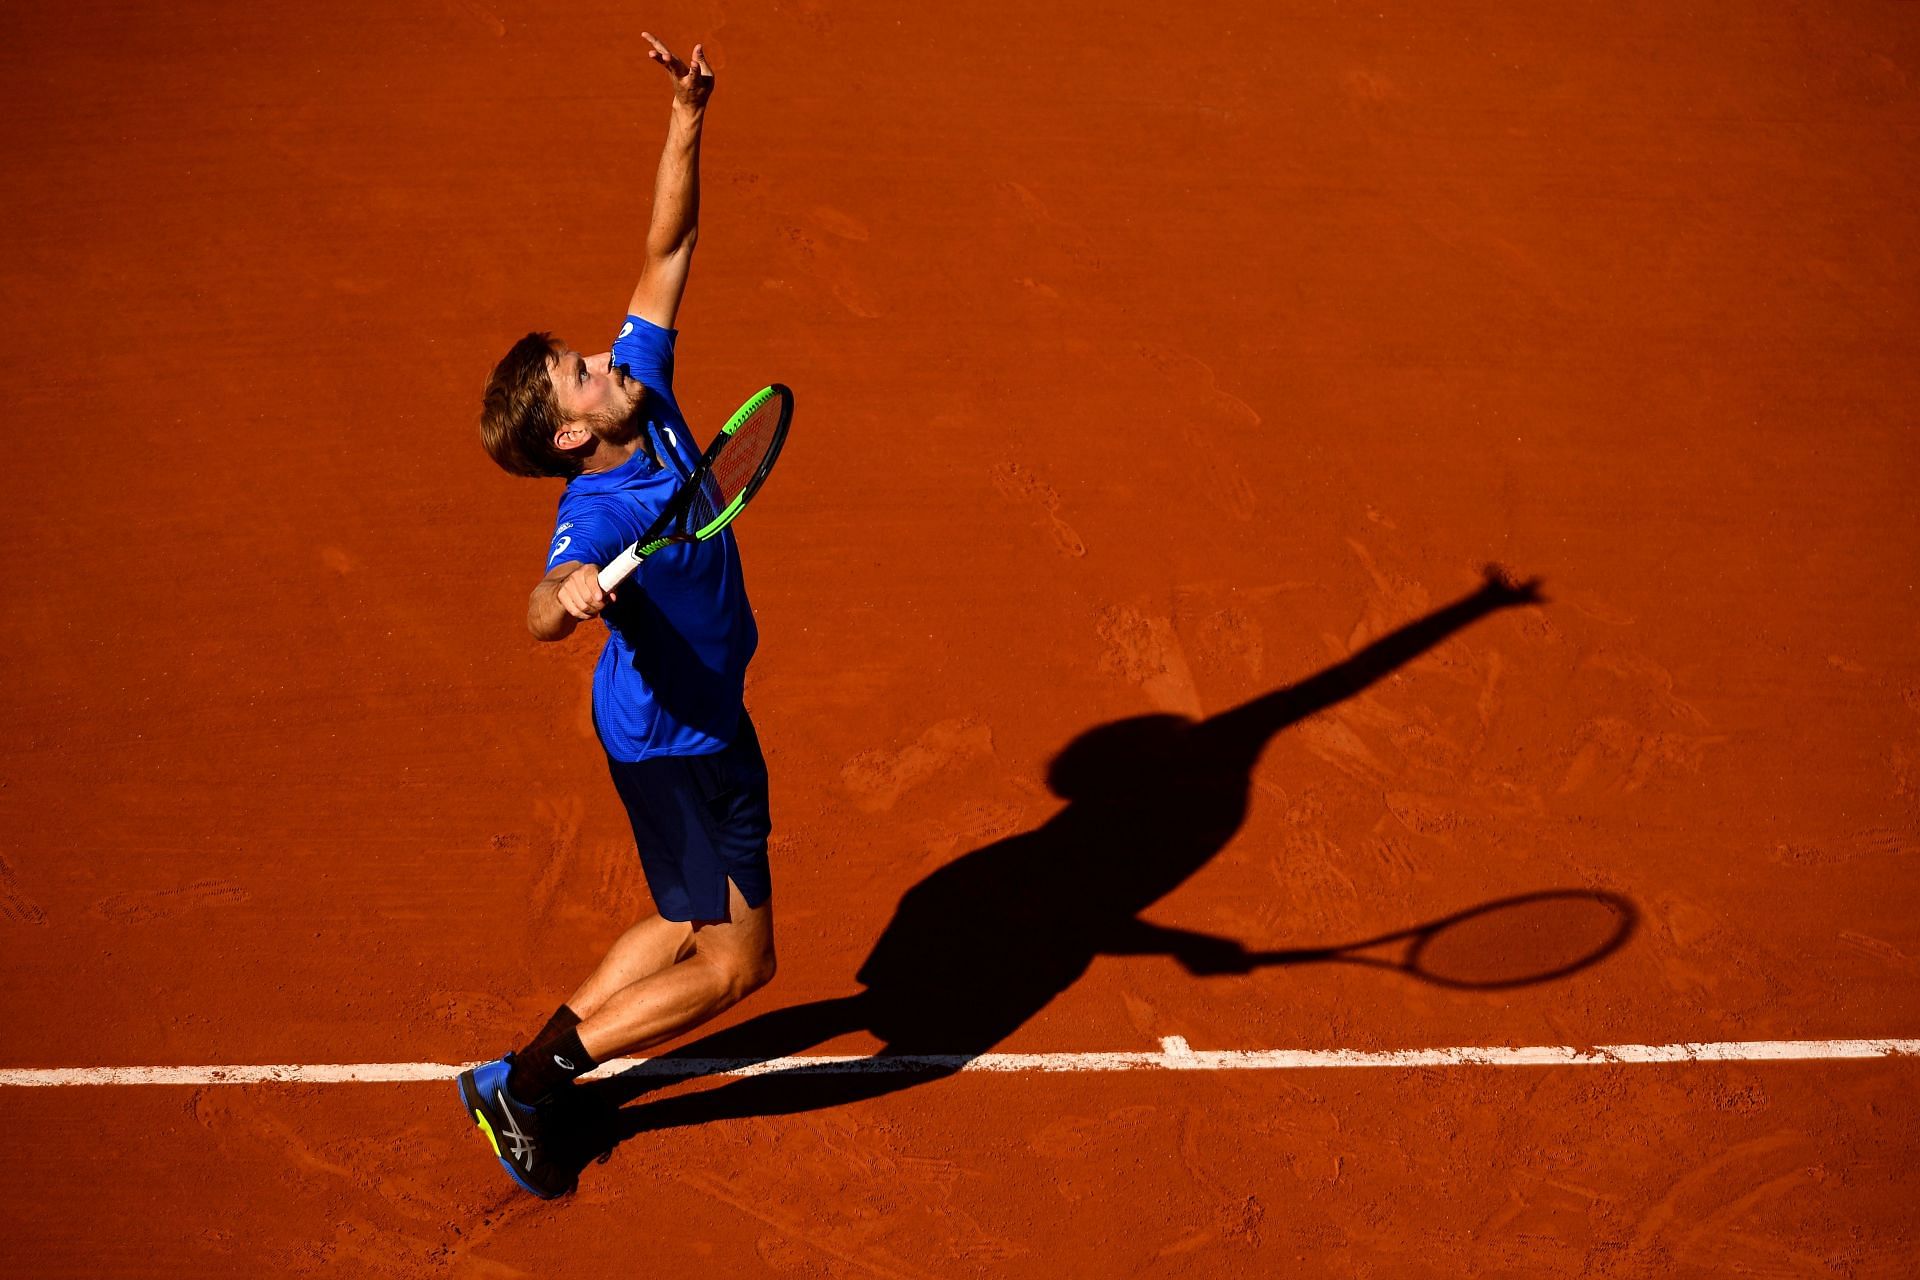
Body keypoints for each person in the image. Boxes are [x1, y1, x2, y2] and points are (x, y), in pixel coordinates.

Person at [462, 33, 776, 1199]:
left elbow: (670, 241)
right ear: (569, 434)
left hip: (700, 716)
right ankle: (534, 1084)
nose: (607, 354)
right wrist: (570, 595)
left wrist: (689, 112)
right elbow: (543, 609)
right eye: (582, 370)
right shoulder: (594, 513)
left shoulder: (649, 385)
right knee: (741, 958)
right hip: (673, 740)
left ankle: (514, 1070)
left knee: (681, 914)